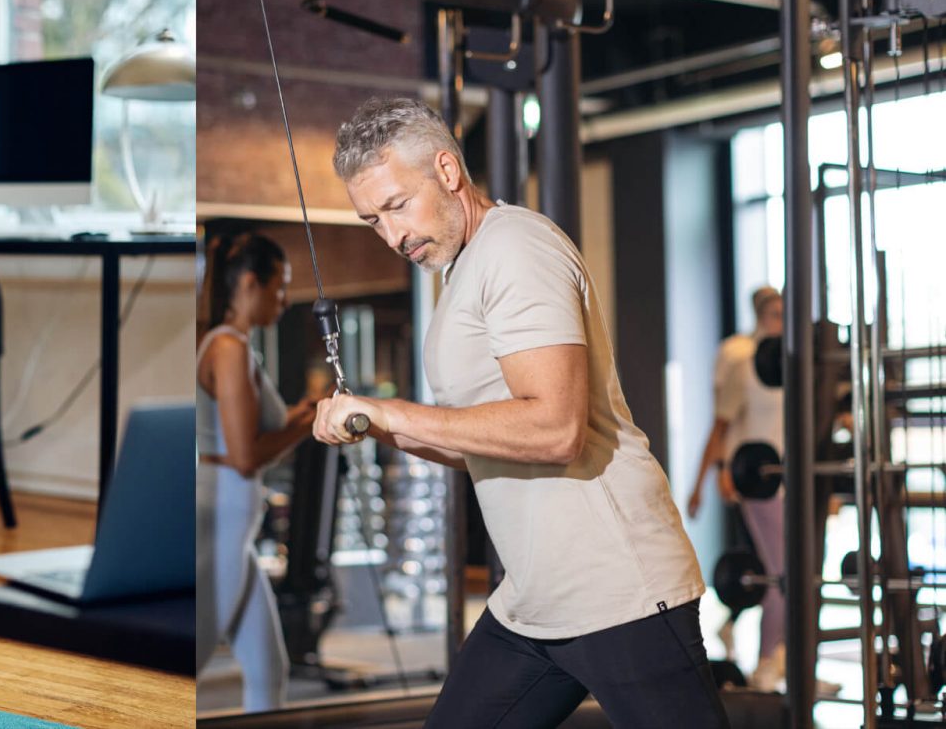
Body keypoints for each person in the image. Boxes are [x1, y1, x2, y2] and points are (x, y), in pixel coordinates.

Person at [312, 98, 726, 727]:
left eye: (397, 206)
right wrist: (374, 426)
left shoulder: (515, 249)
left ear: (448, 172)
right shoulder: (461, 270)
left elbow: (554, 429)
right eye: (372, 220)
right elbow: (478, 442)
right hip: (535, 600)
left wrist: (392, 412)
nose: (392, 235)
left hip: (619, 589)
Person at [196, 232, 318, 711]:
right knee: (194, 658)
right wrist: (309, 426)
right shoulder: (229, 350)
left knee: (269, 670)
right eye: (280, 287)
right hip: (222, 518)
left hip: (236, 525)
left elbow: (247, 433)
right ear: (251, 283)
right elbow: (246, 455)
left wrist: (303, 412)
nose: (285, 300)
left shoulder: (237, 346)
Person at [688, 287, 788, 690]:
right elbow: (720, 426)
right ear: (762, 316)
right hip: (759, 484)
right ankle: (768, 662)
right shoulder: (742, 362)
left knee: (783, 571)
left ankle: (784, 657)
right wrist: (706, 480)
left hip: (793, 482)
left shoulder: (796, 367)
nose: (783, 320)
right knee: (782, 575)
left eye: (787, 313)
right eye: (776, 313)